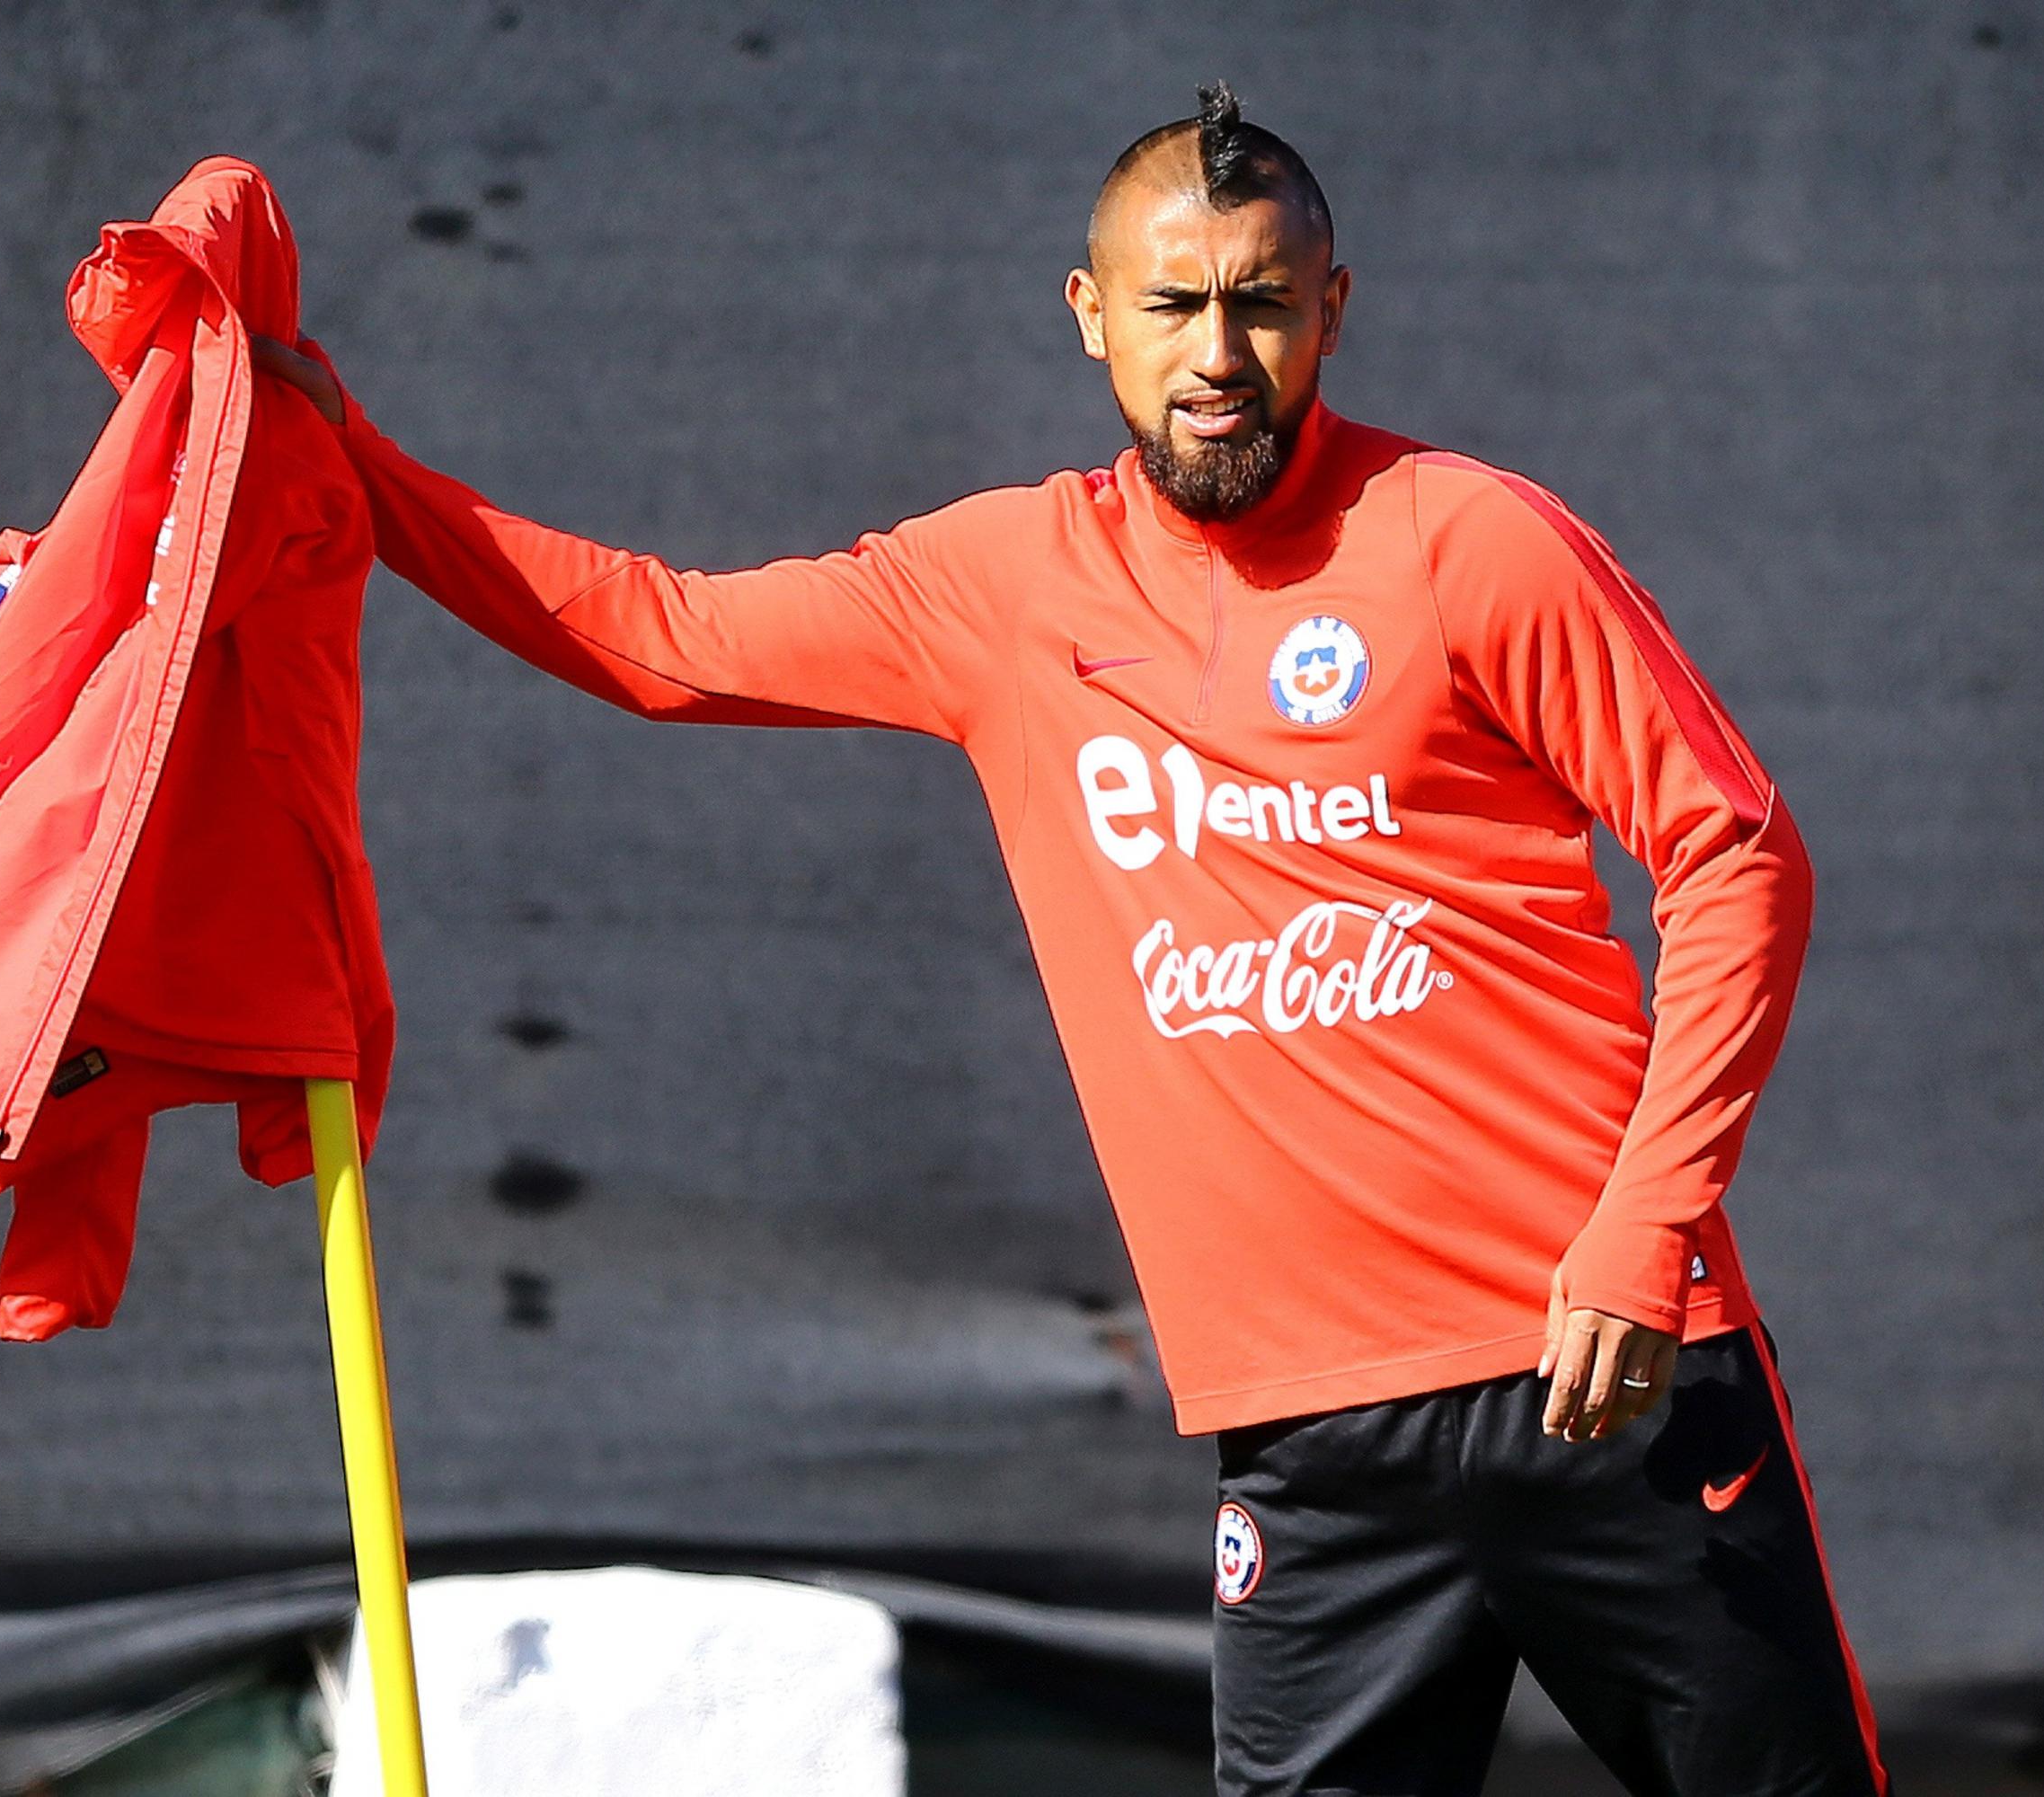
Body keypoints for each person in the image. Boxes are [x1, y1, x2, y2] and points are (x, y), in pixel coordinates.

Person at [257, 84, 1882, 1797]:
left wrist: (1648, 1228)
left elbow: (1738, 851)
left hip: (1609, 1374)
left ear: (1333, 309)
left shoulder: (1466, 537)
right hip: (1314, 1442)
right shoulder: (1006, 584)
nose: (1219, 354)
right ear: (1092, 315)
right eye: (1175, 303)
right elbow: (663, 640)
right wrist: (357, 471)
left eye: (1262, 301)